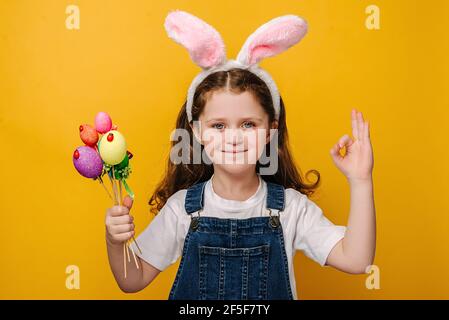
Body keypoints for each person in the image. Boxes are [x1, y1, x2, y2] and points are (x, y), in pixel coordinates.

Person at [105, 10, 376, 300]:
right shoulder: (181, 209)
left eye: (248, 124)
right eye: (218, 126)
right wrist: (114, 240)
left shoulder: (291, 209)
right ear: (197, 133)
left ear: (271, 130)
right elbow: (131, 280)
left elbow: (357, 260)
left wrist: (360, 181)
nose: (233, 138)